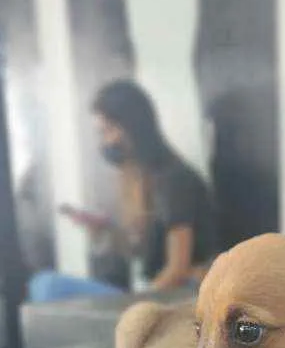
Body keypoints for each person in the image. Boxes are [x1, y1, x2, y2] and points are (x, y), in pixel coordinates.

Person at [29, 80, 216, 302]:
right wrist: (104, 233)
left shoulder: (174, 180)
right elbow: (138, 253)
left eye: (107, 130)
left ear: (133, 127)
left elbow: (177, 270)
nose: (104, 141)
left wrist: (135, 305)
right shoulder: (138, 180)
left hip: (169, 301)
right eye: (100, 132)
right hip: (150, 294)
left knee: (48, 285)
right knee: (43, 285)